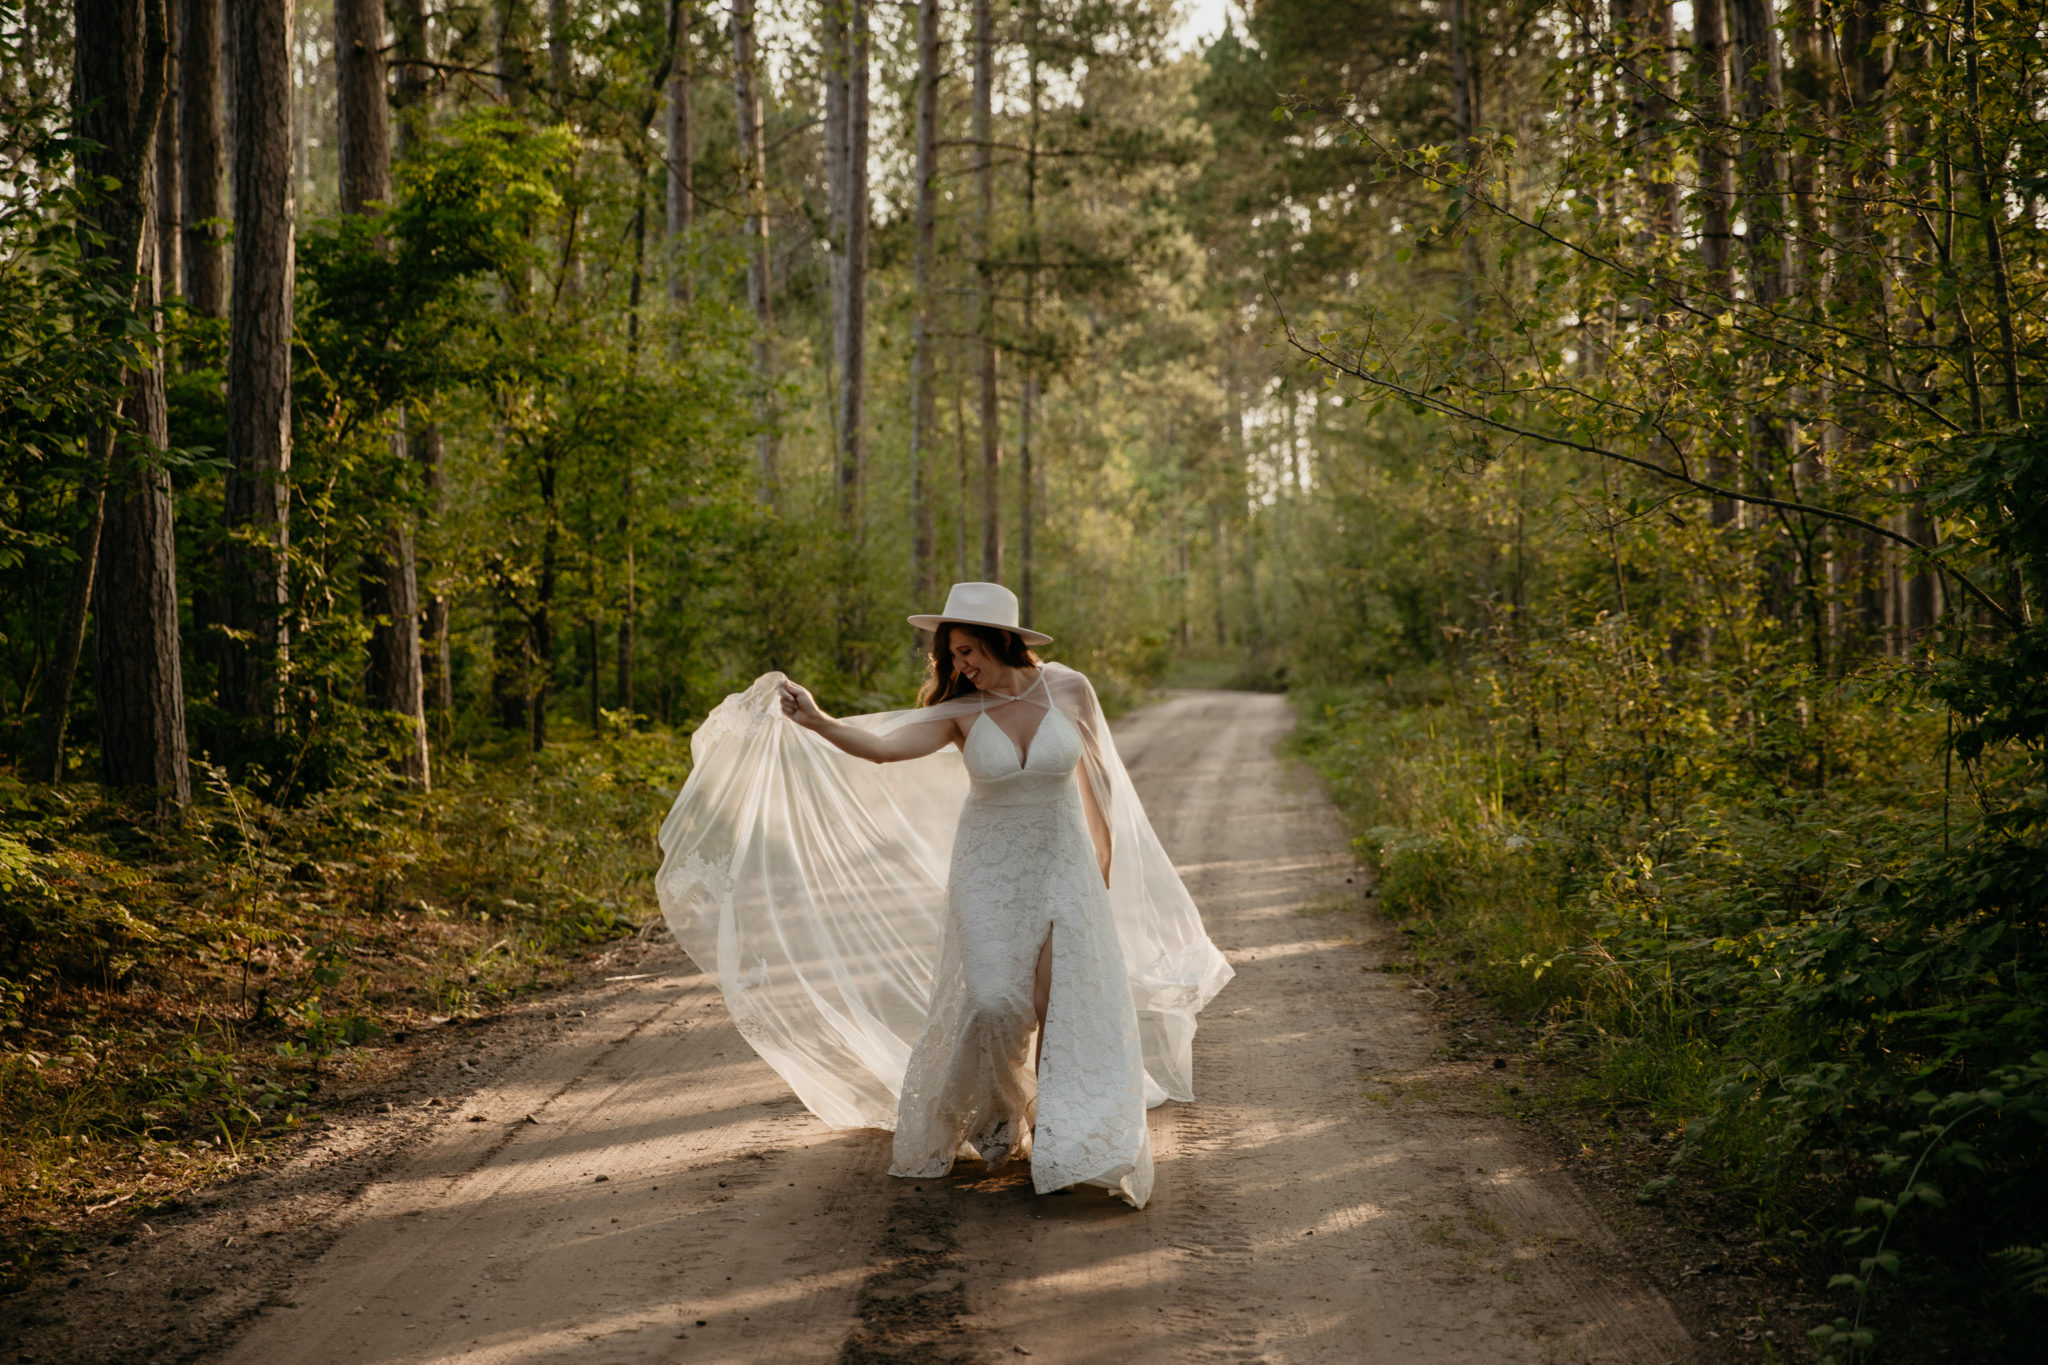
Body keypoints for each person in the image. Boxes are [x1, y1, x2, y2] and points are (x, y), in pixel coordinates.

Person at [655, 583, 1232, 1208]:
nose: (960, 666)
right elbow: (881, 749)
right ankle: (1004, 1110)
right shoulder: (961, 709)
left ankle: (1068, 1139)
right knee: (992, 1002)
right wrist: (817, 719)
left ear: (1001, 641)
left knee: (1059, 1003)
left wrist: (1103, 863)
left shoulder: (1071, 689)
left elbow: (1099, 779)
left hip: (1063, 865)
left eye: (967, 651)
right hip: (985, 869)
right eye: (952, 655)